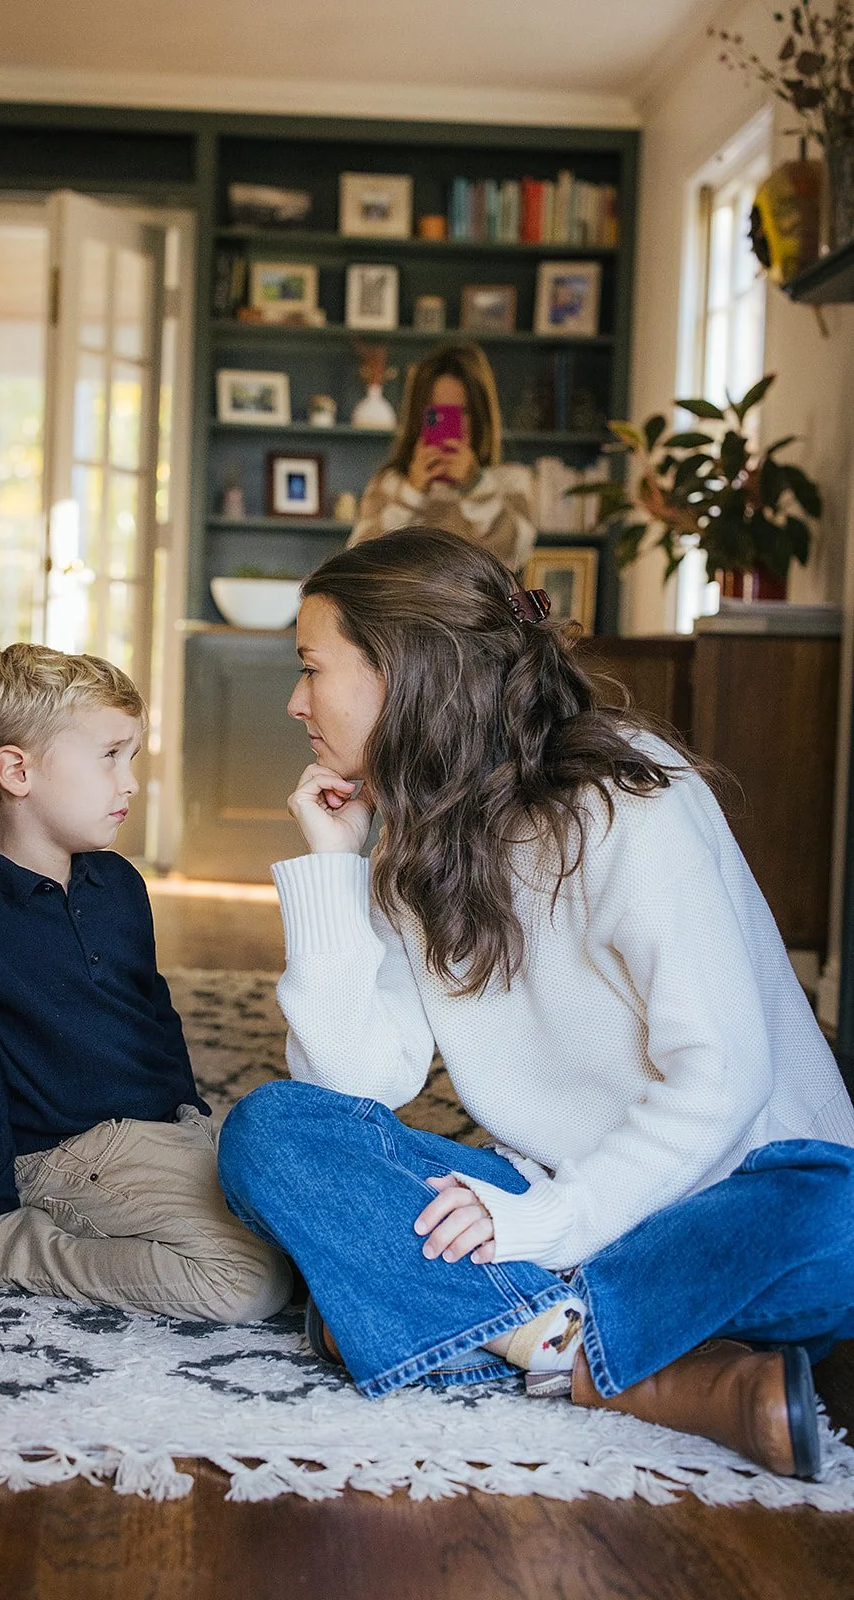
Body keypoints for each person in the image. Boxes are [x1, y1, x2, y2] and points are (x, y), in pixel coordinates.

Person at [216, 527, 854, 1479]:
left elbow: (726, 1079)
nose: (295, 700)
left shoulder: (624, 799)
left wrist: (548, 1228)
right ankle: (622, 1368)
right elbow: (357, 1085)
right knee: (270, 1134)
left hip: (738, 1197)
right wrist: (333, 869)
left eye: (312, 667)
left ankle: (479, 1323)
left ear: (401, 671)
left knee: (840, 1227)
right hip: (551, 1204)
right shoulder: (412, 831)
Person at [0, 643, 291, 1325]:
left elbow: (152, 1011)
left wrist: (190, 1117)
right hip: (65, 1155)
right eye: (110, 756)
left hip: (163, 1131)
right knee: (248, 1284)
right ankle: (11, 1251)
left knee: (315, 1210)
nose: (131, 782)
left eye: (132, 757)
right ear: (17, 771)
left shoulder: (118, 883)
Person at [348, 340, 535, 567]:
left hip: (475, 603)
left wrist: (475, 485)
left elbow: (515, 554)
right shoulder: (389, 484)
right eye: (436, 413)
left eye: (461, 412)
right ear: (418, 415)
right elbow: (359, 563)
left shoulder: (510, 481)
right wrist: (411, 493)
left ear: (480, 414)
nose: (449, 424)